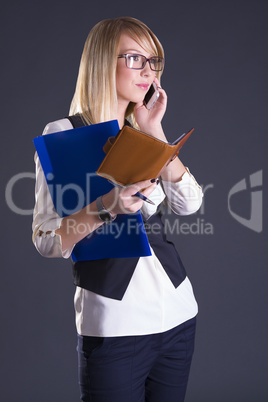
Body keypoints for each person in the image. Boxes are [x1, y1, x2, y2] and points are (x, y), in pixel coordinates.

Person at [32, 16, 203, 402]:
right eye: (134, 59)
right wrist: (106, 207)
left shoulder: (141, 130)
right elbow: (45, 239)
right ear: (102, 61)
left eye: (153, 61)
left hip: (178, 314)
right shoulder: (62, 133)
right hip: (116, 325)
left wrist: (154, 130)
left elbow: (190, 204)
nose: (148, 71)